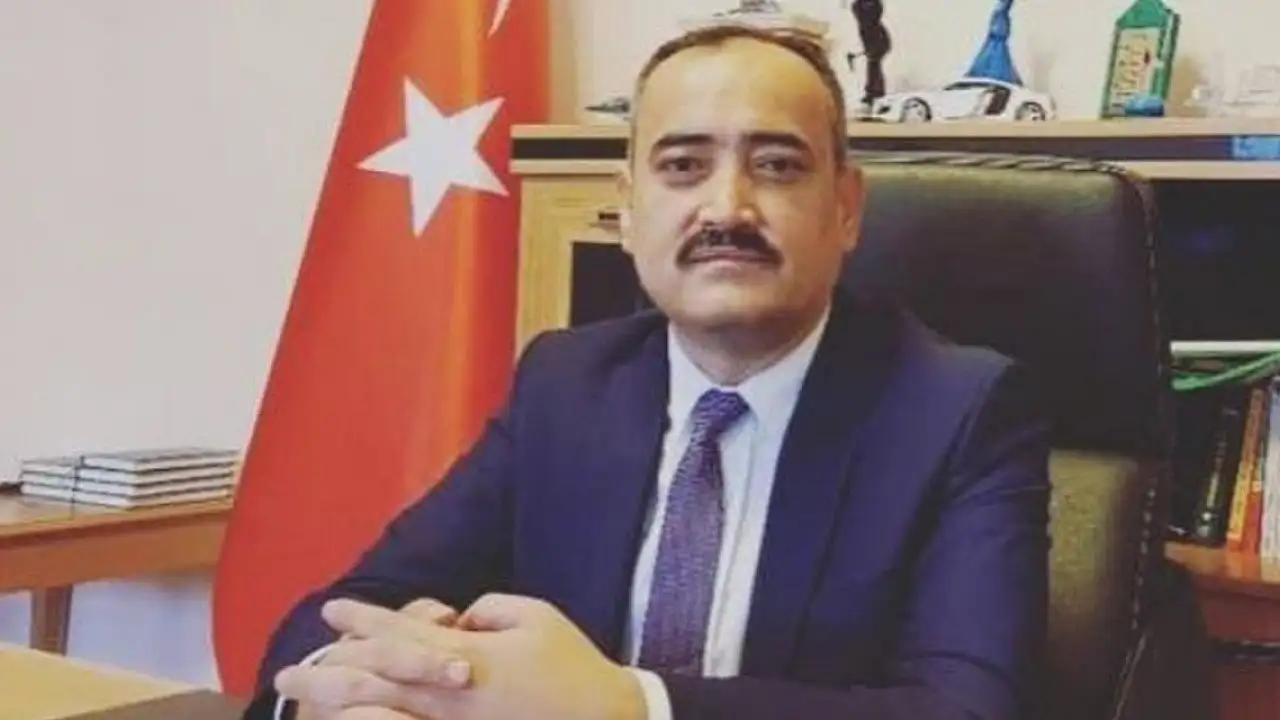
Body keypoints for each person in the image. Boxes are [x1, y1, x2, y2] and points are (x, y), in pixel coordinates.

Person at [248, 23, 1051, 720]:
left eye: (777, 165)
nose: (727, 208)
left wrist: (630, 705)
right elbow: (346, 610)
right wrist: (357, 688)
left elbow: (965, 713)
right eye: (683, 166)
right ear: (629, 210)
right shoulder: (567, 383)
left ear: (845, 208)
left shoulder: (958, 411)